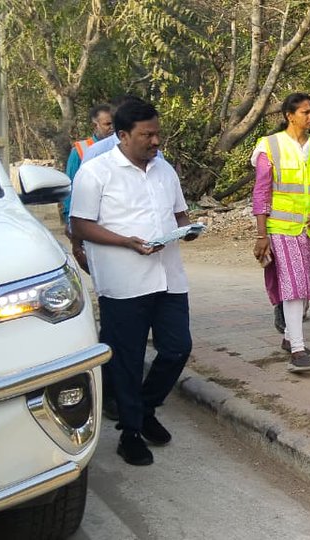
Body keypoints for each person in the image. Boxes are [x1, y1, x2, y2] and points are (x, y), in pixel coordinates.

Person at [69, 99, 197, 466]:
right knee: (126, 359)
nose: (156, 141)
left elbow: (179, 213)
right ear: (123, 136)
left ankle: (146, 408)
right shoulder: (95, 173)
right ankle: (130, 433)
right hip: (123, 281)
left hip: (168, 277)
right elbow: (80, 224)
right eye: (147, 135)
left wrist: (188, 228)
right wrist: (126, 241)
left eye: (158, 133)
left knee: (177, 348)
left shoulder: (164, 171)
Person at [251, 93, 310, 373]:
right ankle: (299, 350)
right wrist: (261, 234)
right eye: (305, 112)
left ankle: (290, 338)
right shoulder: (270, 146)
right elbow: (261, 192)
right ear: (290, 115)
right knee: (293, 288)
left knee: (307, 288)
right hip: (282, 228)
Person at [61, 104, 113, 225]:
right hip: (89, 218)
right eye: (108, 124)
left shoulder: (122, 148)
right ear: (95, 126)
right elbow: (70, 187)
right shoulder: (80, 150)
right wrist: (71, 222)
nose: (112, 128)